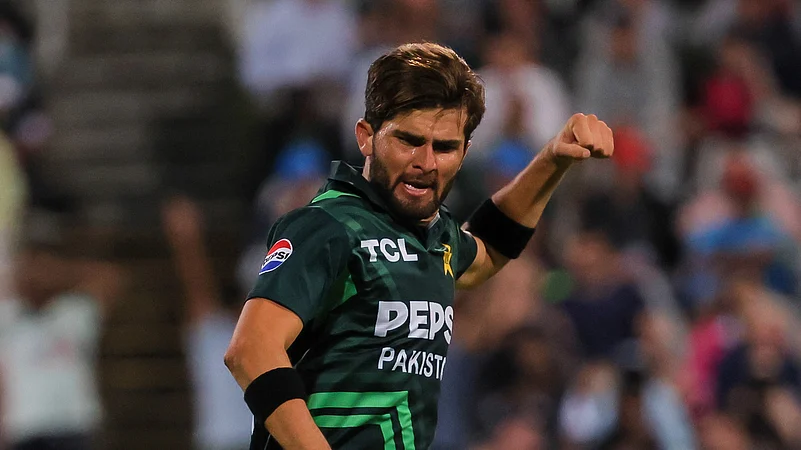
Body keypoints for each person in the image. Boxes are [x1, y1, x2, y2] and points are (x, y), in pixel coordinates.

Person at [223, 42, 614, 450]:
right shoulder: (327, 226)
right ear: (367, 137)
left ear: (464, 152)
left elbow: (489, 249)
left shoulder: (434, 235)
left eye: (444, 147)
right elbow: (251, 350)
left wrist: (552, 159)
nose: (425, 162)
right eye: (409, 140)